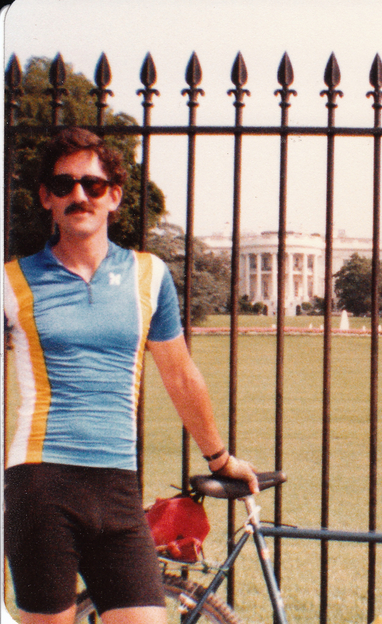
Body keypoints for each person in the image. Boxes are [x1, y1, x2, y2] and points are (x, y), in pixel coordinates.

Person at [3, 127, 259, 624]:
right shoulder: (11, 281)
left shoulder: (149, 274)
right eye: (64, 185)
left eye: (93, 185)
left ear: (114, 197)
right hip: (41, 483)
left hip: (117, 486)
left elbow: (180, 375)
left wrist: (220, 458)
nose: (80, 195)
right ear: (47, 198)